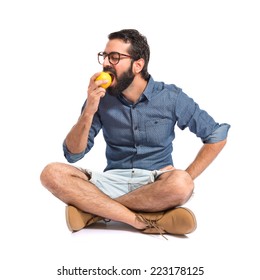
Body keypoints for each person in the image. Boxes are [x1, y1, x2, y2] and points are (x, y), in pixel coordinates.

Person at [40, 29, 230, 237]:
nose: (105, 64)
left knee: (182, 184)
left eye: (115, 57)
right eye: (104, 57)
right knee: (51, 173)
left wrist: (187, 176)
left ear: (138, 65)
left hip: (155, 182)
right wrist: (90, 109)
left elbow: (216, 135)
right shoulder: (100, 98)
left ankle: (95, 213)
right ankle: (144, 219)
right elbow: (73, 154)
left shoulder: (171, 97)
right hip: (111, 180)